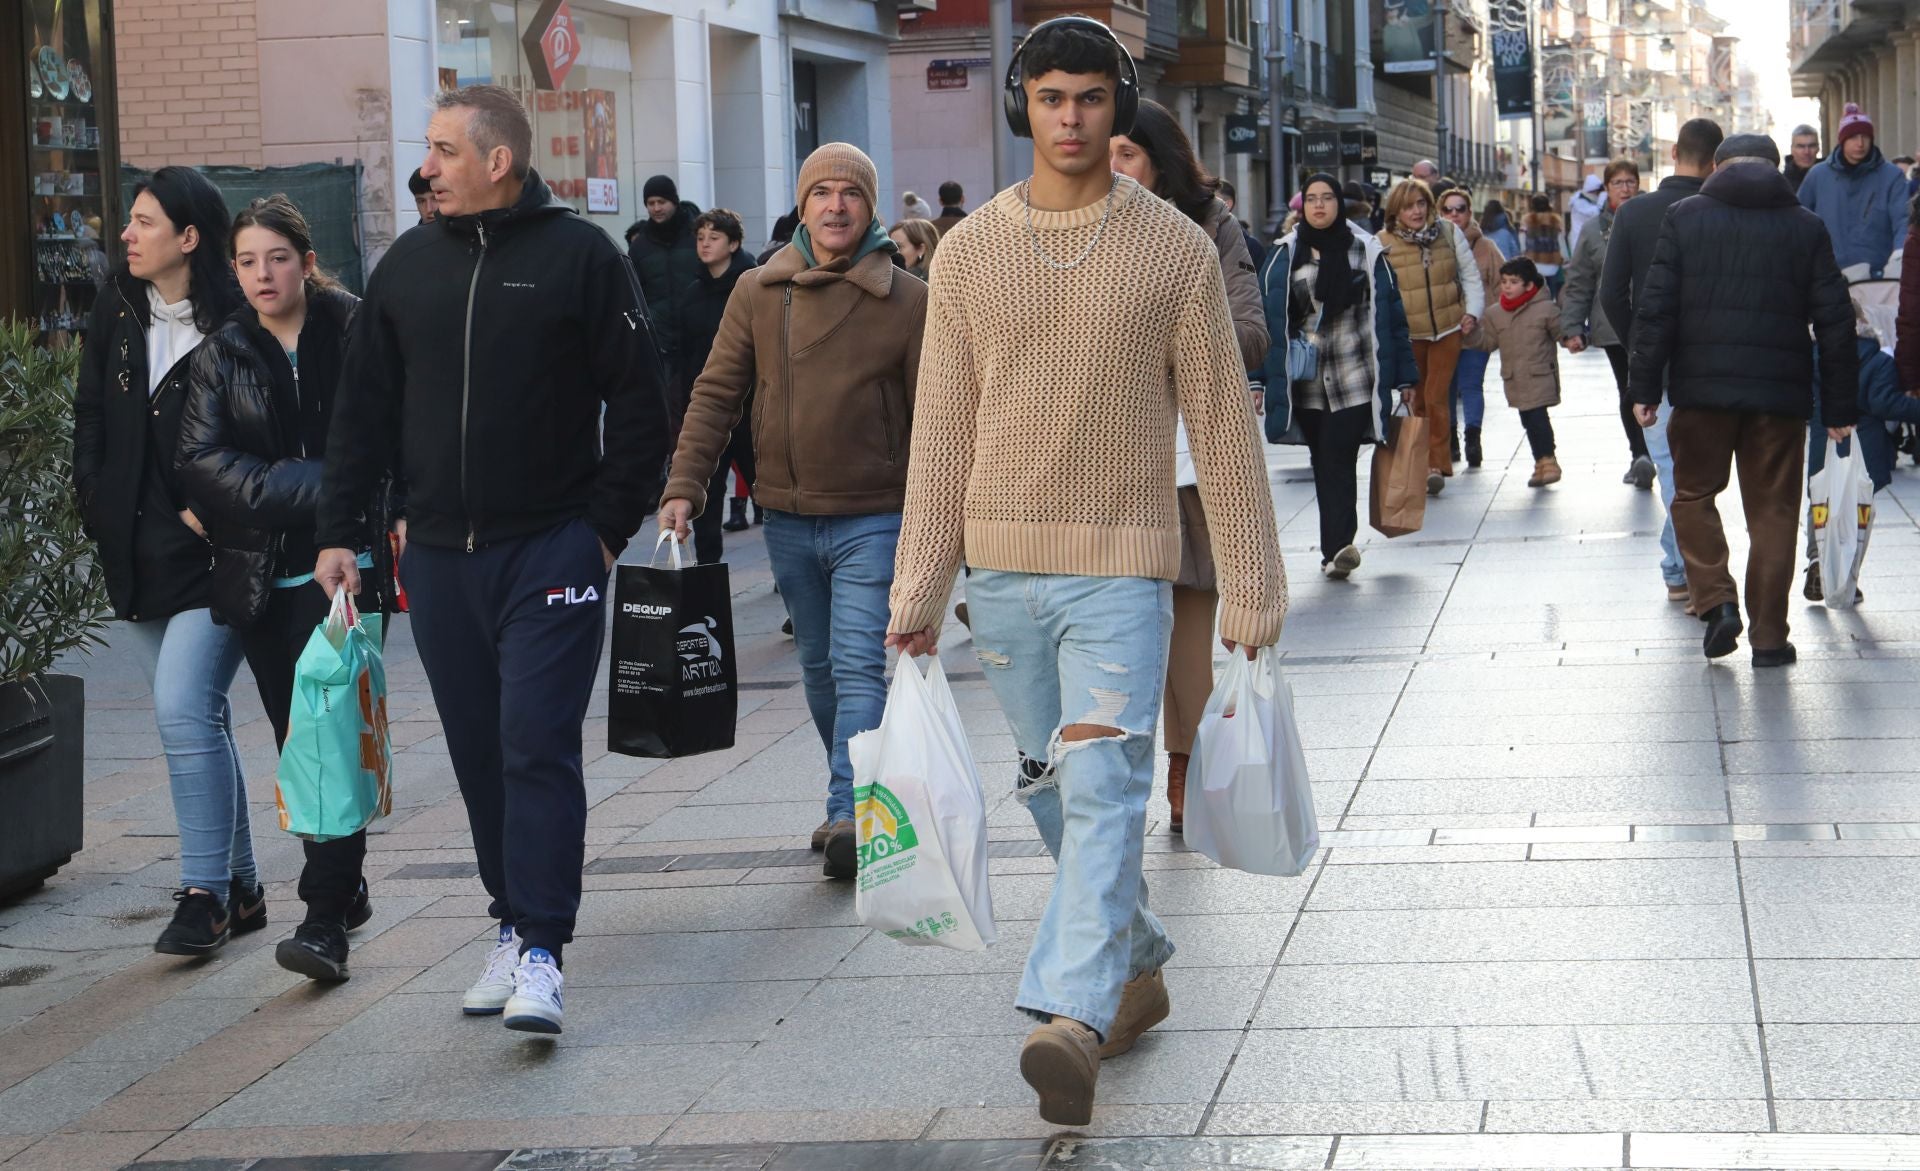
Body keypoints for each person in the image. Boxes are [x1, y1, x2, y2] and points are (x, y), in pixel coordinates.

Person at [886, 16, 1284, 1126]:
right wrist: (919, 587)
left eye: (1091, 99)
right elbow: (941, 432)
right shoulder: (966, 253)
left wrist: (1253, 578)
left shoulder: (1173, 248)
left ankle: (1072, 1015)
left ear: (1121, 103)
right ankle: (1137, 962)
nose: (1071, 119)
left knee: (1104, 784)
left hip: (1124, 569)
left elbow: (1218, 418)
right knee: (1054, 793)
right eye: (1051, 98)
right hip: (1003, 574)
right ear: (1025, 104)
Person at [314, 85, 671, 1034]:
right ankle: (510, 923)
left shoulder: (580, 257)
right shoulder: (406, 269)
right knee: (477, 753)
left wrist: (601, 532)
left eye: (441, 150)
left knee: (535, 747)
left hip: (551, 548)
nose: (425, 166)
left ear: (497, 160)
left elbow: (643, 401)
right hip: (437, 558)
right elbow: (361, 413)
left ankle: (545, 950)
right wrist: (342, 531)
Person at [658, 143, 927, 880]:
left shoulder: (908, 300)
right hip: (785, 514)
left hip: (875, 511)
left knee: (856, 663)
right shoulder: (759, 290)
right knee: (817, 668)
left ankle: (850, 811)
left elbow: (937, 419)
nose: (836, 205)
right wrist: (685, 486)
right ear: (803, 206)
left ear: (871, 208)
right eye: (822, 193)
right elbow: (715, 393)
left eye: (851, 193)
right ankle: (849, 790)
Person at [175, 195, 393, 981]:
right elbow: (204, 467)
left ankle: (325, 917)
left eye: (276, 257)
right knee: (300, 745)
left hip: (344, 579)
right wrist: (330, 485)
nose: (262, 274)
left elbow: (391, 434)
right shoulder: (223, 351)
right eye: (246, 260)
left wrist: (350, 503)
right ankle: (346, 881)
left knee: (332, 740)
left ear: (305, 259)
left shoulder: (355, 325)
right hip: (264, 580)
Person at [72, 167, 257, 958]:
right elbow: (89, 418)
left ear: (188, 237)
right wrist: (96, 504)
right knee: (200, 719)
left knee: (183, 710)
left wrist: (221, 510)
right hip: (135, 552)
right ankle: (242, 883)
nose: (127, 234)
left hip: (213, 560)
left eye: (144, 221)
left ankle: (202, 895)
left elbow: (266, 436)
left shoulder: (238, 324)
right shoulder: (115, 308)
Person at [1627, 133, 1857, 667]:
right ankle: (1771, 640)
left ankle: (1716, 600)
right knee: (1774, 513)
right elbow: (1835, 322)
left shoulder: (1685, 216)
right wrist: (1840, 409)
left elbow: (1655, 308)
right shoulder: (1805, 224)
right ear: (1776, 167)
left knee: (1692, 495)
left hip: (1701, 392)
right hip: (1778, 395)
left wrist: (1643, 389)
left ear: (1716, 166)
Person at [1106, 96, 1270, 836]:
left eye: (1126, 155)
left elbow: (1251, 334)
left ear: (1160, 162)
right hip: (1102, 476)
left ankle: (1186, 769)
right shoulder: (1069, 233)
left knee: (1190, 639)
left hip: (1187, 468)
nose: (1110, 169)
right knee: (1116, 639)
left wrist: (1164, 337)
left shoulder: (1208, 228)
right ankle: (1117, 777)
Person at [1265, 173, 1417, 575]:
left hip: (1355, 376)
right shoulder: (1285, 255)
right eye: (1311, 199)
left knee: (1339, 456)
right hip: (1308, 381)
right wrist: (1260, 379)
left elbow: (1393, 319)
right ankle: (1336, 546)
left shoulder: (1365, 251)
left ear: (1338, 203)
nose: (1319, 206)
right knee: (1324, 460)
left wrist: (1405, 378)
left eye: (1327, 198)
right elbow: (1269, 324)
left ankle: (1338, 547)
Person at [1603, 118, 1724, 607]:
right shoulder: (1720, 210)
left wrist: (1639, 341)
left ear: (1674, 151)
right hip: (1712, 362)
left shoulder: (1634, 213)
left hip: (1656, 365)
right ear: (1716, 160)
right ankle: (1685, 568)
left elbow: (1612, 293)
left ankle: (1680, 570)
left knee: (1674, 471)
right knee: (1703, 475)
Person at [1805, 300, 1920, 602]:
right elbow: (1885, 403)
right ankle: (1847, 576)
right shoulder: (1878, 360)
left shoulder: (1811, 357)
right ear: (1864, 321)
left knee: (1822, 503)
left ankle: (1817, 559)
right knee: (1858, 514)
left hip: (1823, 443)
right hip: (1865, 448)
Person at [1381, 177, 1484, 494]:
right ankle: (1423, 462)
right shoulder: (1382, 241)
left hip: (1447, 328)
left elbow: (1470, 274)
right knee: (1417, 397)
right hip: (1409, 336)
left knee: (1438, 396)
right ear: (1396, 210)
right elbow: (1378, 292)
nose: (1416, 211)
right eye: (1408, 206)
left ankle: (1436, 464)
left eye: (1421, 204)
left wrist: (1472, 312)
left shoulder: (1449, 233)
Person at [674, 208, 758, 565]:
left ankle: (787, 583)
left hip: (752, 412)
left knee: (770, 501)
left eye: (714, 237)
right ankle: (710, 593)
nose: (705, 244)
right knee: (706, 503)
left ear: (734, 243)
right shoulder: (692, 292)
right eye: (700, 237)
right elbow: (684, 353)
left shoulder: (753, 287)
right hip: (708, 413)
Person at [1560, 159, 1652, 488]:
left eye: (1631, 181)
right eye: (1618, 183)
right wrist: (1572, 327)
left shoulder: (1653, 216)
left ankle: (1658, 450)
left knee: (1656, 386)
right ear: (1607, 188)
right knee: (1628, 388)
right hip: (1613, 324)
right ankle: (1640, 454)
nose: (1625, 188)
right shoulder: (1593, 229)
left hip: (1654, 321)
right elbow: (1580, 280)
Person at [1468, 258, 1563, 487]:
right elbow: (1488, 342)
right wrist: (1470, 334)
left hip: (1539, 375)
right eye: (1504, 282)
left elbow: (1562, 332)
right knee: (1528, 420)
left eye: (1514, 282)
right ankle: (1540, 463)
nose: (1507, 287)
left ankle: (1549, 460)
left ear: (1529, 285)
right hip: (1515, 379)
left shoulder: (1545, 309)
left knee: (1538, 418)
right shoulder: (1495, 314)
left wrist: (1574, 338)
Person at [1797, 104, 1911, 275]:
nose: (1860, 143)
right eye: (1853, 137)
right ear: (1842, 140)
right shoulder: (1818, 175)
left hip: (1878, 275)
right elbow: (1798, 220)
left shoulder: (1891, 176)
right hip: (1829, 274)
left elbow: (1903, 219)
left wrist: (1899, 255)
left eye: (1865, 136)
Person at [1439, 187, 1503, 468]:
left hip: (1477, 331)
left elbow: (1503, 285)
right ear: (1440, 213)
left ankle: (1472, 440)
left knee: (1471, 385)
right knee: (1446, 388)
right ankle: (1450, 439)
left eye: (1460, 209)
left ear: (1469, 213)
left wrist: (1490, 318)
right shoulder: (1434, 245)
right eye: (1448, 210)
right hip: (1442, 332)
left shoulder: (1485, 246)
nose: (1454, 215)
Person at [627, 174, 703, 383]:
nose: (656, 208)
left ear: (674, 202)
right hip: (659, 341)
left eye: (662, 202)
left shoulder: (697, 236)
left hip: (697, 337)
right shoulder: (639, 246)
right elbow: (634, 292)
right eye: (651, 203)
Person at [1521, 193, 1566, 299]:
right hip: (1552, 263)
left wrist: (1523, 254)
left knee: (1535, 295)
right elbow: (1561, 240)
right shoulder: (1556, 220)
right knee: (1551, 295)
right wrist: (1565, 258)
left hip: (1533, 262)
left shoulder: (1527, 220)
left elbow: (1522, 240)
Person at [889, 217, 940, 281]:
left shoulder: (933, 284)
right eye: (890, 247)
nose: (892, 253)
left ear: (921, 249)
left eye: (898, 247)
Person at [1568, 173, 1606, 251]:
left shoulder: (1584, 200)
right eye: (1597, 193)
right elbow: (1597, 213)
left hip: (1587, 241)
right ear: (1593, 191)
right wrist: (1603, 197)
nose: (1598, 195)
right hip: (1580, 242)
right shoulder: (1579, 203)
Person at [1783, 124, 1821, 194]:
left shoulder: (1830, 178)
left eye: (1811, 146)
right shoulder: (1783, 183)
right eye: (1800, 146)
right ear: (1792, 149)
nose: (1806, 152)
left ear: (1818, 149)